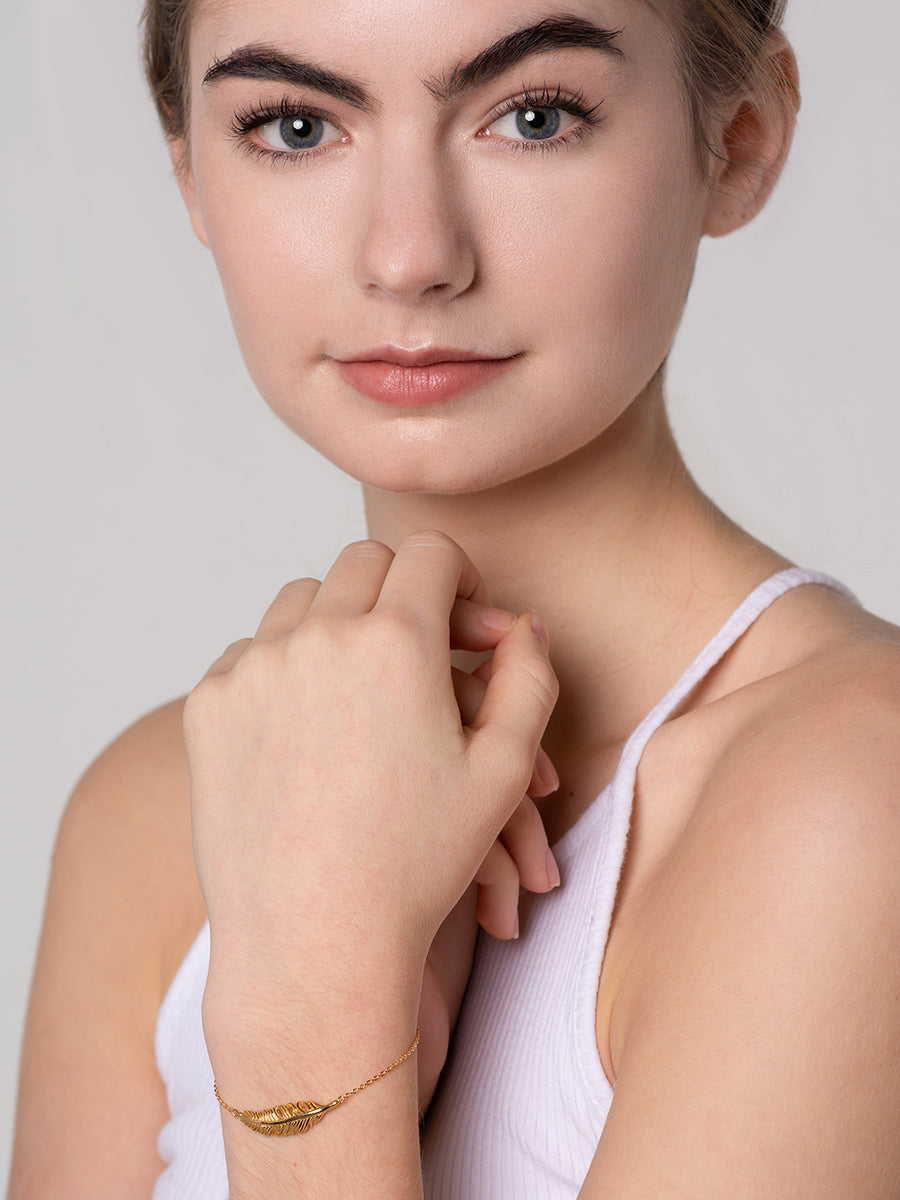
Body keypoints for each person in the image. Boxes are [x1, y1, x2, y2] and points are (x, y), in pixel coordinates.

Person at [9, 0, 900, 1196]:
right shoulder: (155, 807)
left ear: (737, 137)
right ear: (192, 178)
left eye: (532, 117)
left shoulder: (855, 800)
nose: (409, 254)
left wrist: (317, 1005)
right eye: (293, 125)